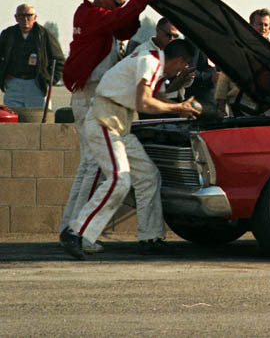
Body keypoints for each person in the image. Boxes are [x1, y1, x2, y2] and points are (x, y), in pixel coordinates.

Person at [59, 0, 176, 248]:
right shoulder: (89, 14)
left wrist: (135, 5)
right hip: (91, 95)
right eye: (118, 2)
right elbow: (117, 22)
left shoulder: (101, 17)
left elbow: (124, 29)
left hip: (102, 97)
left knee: (91, 167)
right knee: (91, 167)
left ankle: (72, 227)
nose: (120, 7)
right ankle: (74, 232)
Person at [59, 38, 201, 259]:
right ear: (181, 60)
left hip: (119, 124)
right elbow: (145, 103)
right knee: (119, 179)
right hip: (105, 121)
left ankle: (150, 238)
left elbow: (158, 96)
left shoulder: (153, 63)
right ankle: (75, 232)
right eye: (185, 65)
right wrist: (178, 108)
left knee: (148, 176)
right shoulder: (150, 62)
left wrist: (177, 93)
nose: (184, 69)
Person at [0, 3, 64, 112]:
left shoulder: (44, 35)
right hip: (13, 83)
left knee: (38, 118)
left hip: (37, 84)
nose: (25, 19)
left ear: (35, 18)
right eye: (21, 16)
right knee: (13, 117)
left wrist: (49, 80)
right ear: (16, 18)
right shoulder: (8, 34)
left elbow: (59, 60)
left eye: (29, 16)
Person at [215, 8, 270, 115]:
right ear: (250, 26)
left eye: (266, 25)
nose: (263, 28)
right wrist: (221, 105)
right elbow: (224, 76)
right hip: (240, 101)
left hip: (266, 103)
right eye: (259, 24)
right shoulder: (238, 48)